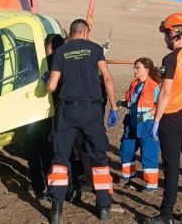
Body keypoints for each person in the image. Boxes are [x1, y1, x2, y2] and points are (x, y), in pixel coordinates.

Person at [46, 19, 118, 223]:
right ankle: (104, 206)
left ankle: (57, 209)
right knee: (99, 158)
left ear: (71, 33)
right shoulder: (95, 49)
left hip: (68, 110)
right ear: (86, 32)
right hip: (92, 111)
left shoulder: (61, 52)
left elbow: (52, 86)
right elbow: (107, 78)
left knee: (60, 159)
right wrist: (113, 107)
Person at [145, 12, 182, 224]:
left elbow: (165, 92)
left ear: (173, 33)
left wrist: (156, 121)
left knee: (171, 168)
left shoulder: (171, 59)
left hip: (172, 118)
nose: (164, 39)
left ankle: (166, 214)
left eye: (164, 34)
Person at [25, 33, 65, 202]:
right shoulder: (65, 63)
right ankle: (53, 187)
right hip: (56, 113)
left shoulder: (42, 62)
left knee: (34, 150)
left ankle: (39, 186)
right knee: (50, 151)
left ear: (49, 46)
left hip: (37, 112)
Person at [118, 57, 161, 195]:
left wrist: (147, 116)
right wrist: (121, 103)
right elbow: (131, 102)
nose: (134, 70)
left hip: (147, 125)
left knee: (148, 154)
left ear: (146, 70)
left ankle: (152, 183)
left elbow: (160, 106)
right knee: (126, 149)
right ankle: (128, 174)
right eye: (134, 67)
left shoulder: (155, 87)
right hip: (132, 123)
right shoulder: (134, 84)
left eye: (137, 68)